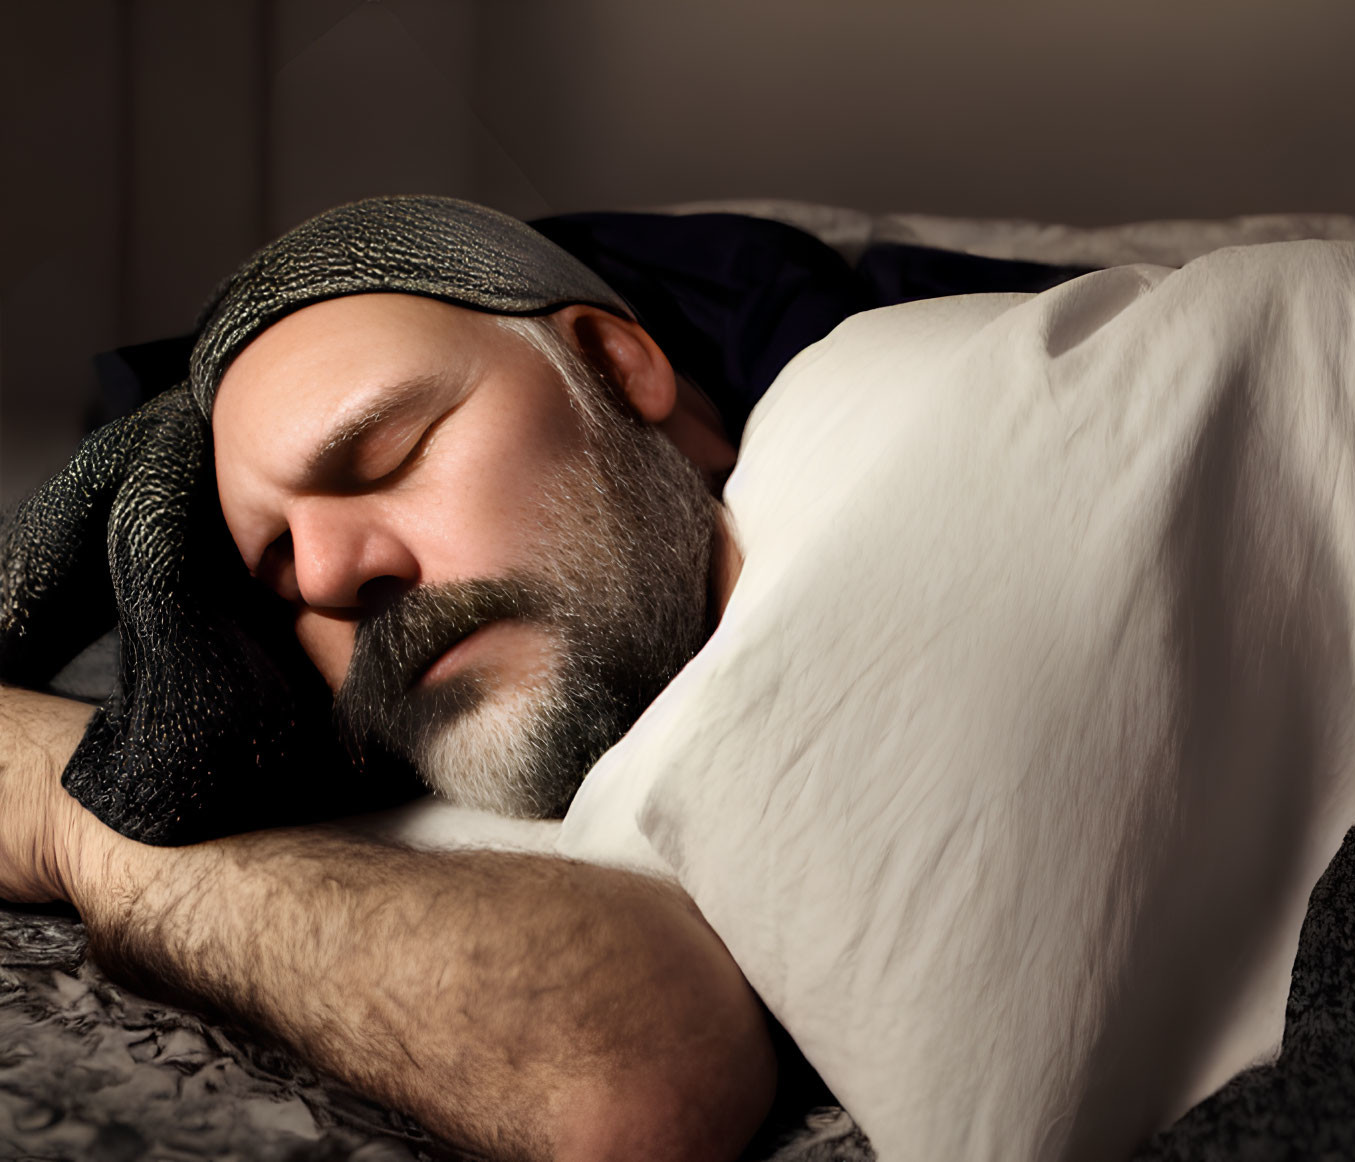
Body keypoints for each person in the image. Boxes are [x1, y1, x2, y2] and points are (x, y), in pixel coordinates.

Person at [0, 198, 776, 1162]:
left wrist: (62, 810)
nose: (325, 578)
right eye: (278, 561)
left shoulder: (928, 410)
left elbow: (643, 1074)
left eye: (388, 454)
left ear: (614, 367)